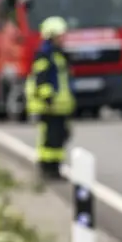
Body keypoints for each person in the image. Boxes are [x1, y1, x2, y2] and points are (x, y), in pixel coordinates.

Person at [26, 17, 75, 180]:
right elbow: (42, 79)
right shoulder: (44, 55)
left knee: (60, 137)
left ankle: (55, 168)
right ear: (51, 35)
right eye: (60, 35)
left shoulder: (58, 55)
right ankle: (48, 169)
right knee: (50, 139)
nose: (63, 38)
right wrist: (48, 99)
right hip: (50, 106)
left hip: (60, 106)